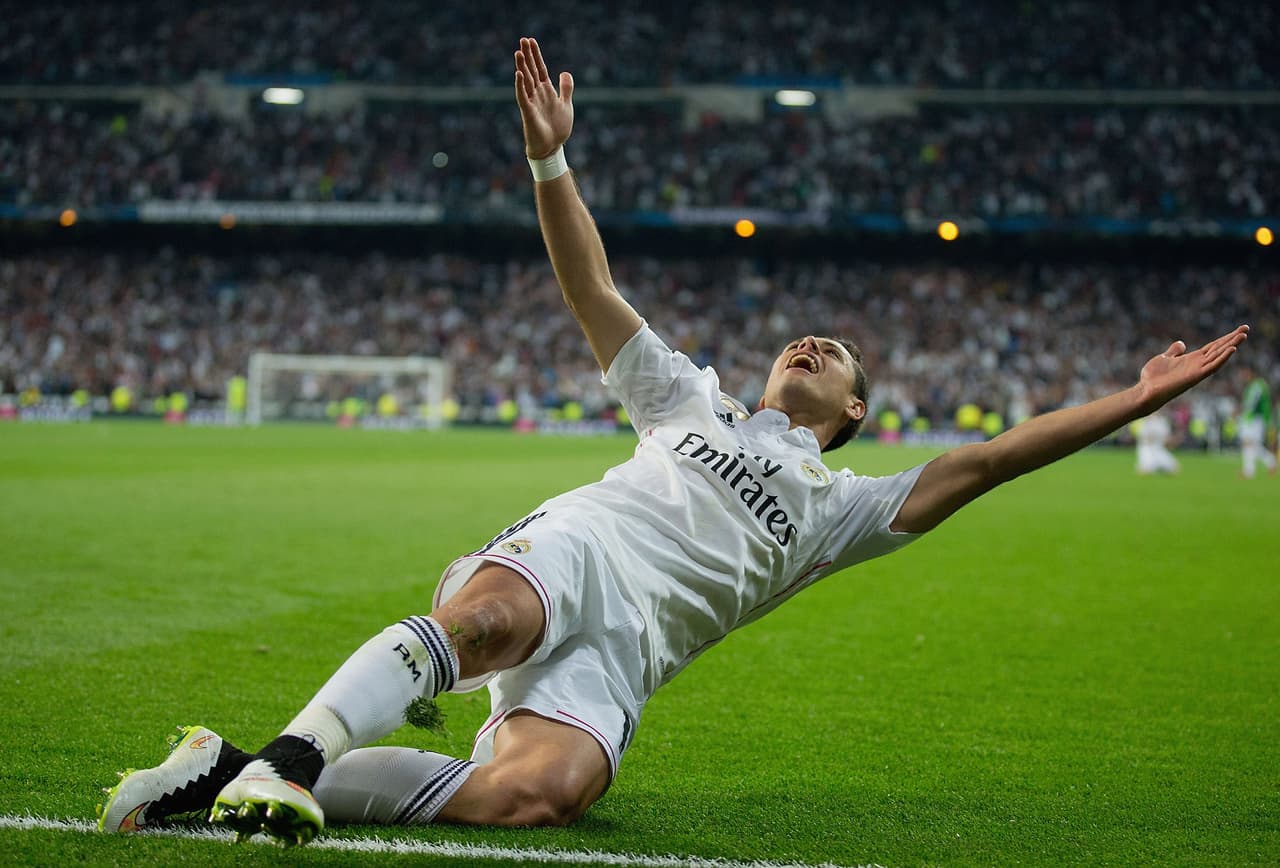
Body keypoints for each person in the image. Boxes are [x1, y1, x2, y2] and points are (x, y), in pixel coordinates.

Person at [98, 37, 1251, 846]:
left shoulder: (842, 508)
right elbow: (588, 283)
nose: (809, 341)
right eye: (801, 338)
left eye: (833, 348)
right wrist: (551, 158)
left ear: (853, 410)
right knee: (485, 621)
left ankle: (224, 769)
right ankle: (292, 762)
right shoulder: (685, 400)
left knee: (532, 799)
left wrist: (1134, 396)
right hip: (577, 552)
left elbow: (990, 458)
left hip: (626, 655)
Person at [1238, 366, 1276, 479]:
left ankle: (1249, 471)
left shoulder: (1257, 386)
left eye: (1244, 373)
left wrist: (1240, 412)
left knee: (1248, 444)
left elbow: (1251, 403)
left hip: (1254, 419)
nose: (1243, 376)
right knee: (1253, 445)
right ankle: (1271, 462)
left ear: (1250, 372)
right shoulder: (1256, 385)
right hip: (1254, 419)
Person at [1134, 410, 1180, 475]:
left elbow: (1166, 438)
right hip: (1147, 448)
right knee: (1146, 469)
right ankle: (1154, 466)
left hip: (1158, 448)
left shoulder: (1163, 421)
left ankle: (1158, 466)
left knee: (1174, 468)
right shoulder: (1147, 421)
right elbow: (1144, 438)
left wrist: (1173, 441)